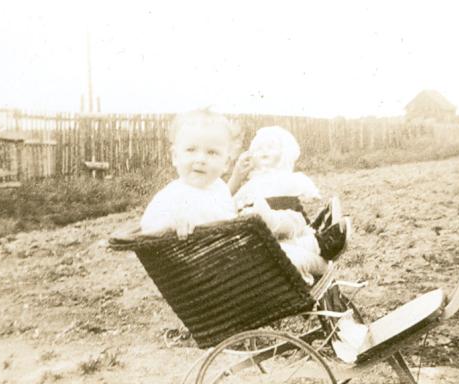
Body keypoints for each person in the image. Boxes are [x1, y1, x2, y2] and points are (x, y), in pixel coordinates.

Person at [139, 109, 340, 283]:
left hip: (237, 253)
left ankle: (313, 236)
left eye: (212, 153)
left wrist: (236, 178)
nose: (200, 159)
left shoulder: (214, 186)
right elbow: (148, 225)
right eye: (191, 150)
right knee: (289, 255)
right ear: (175, 156)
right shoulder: (172, 194)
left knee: (277, 227)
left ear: (225, 162)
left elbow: (223, 200)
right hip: (221, 270)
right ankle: (322, 257)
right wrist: (172, 223)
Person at [231, 126, 347, 261]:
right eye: (259, 148)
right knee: (287, 225)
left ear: (283, 153)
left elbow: (301, 188)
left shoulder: (286, 177)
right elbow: (237, 200)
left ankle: (312, 229)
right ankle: (315, 239)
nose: (264, 151)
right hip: (270, 225)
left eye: (271, 147)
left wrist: (311, 193)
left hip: (286, 212)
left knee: (296, 214)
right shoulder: (251, 184)